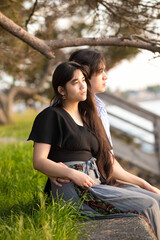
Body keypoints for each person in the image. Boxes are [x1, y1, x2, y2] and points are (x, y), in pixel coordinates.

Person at [28, 61, 160, 239]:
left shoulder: (89, 118)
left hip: (97, 181)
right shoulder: (51, 116)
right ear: (61, 90)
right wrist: (71, 173)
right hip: (73, 187)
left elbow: (108, 162)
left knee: (156, 198)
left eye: (83, 80)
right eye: (75, 82)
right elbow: (39, 161)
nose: (83, 85)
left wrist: (143, 183)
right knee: (147, 205)